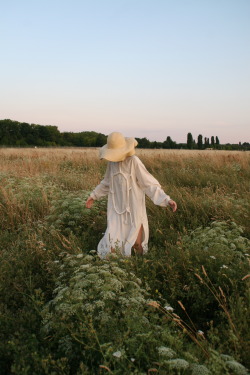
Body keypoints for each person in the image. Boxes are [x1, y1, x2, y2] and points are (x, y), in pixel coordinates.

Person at [85, 132, 177, 258]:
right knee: (111, 245)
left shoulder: (134, 162)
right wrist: (93, 196)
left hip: (133, 210)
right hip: (116, 211)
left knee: (137, 244)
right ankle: (115, 270)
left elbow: (148, 184)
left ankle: (140, 266)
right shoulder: (111, 163)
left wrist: (166, 200)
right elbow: (106, 183)